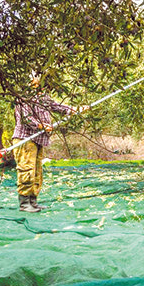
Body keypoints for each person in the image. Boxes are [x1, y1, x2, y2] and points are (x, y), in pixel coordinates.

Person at [12, 74, 86, 212]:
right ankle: (24, 203)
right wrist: (42, 126)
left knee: (36, 172)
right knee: (26, 170)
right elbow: (26, 119)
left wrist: (74, 109)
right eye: (34, 79)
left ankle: (33, 201)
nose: (37, 82)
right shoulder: (22, 97)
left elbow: (55, 106)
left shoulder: (42, 97)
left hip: (38, 139)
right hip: (26, 139)